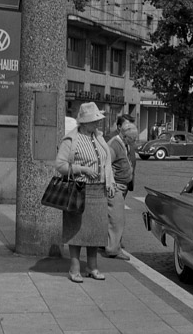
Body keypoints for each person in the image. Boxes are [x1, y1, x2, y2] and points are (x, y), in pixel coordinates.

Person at [55, 102, 117, 283]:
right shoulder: (71, 140)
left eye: (98, 120)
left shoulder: (99, 137)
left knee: (96, 231)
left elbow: (106, 162)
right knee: (77, 231)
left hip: (99, 191)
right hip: (79, 190)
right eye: (94, 120)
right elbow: (60, 165)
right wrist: (81, 169)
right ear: (83, 122)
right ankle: (74, 269)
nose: (97, 123)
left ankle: (92, 267)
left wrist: (110, 181)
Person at [104, 122, 138, 261]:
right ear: (124, 136)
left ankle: (112, 244)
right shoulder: (114, 145)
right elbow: (107, 165)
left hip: (122, 186)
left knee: (115, 218)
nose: (134, 142)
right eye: (133, 139)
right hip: (116, 186)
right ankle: (113, 250)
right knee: (117, 220)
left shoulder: (123, 144)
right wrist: (111, 183)